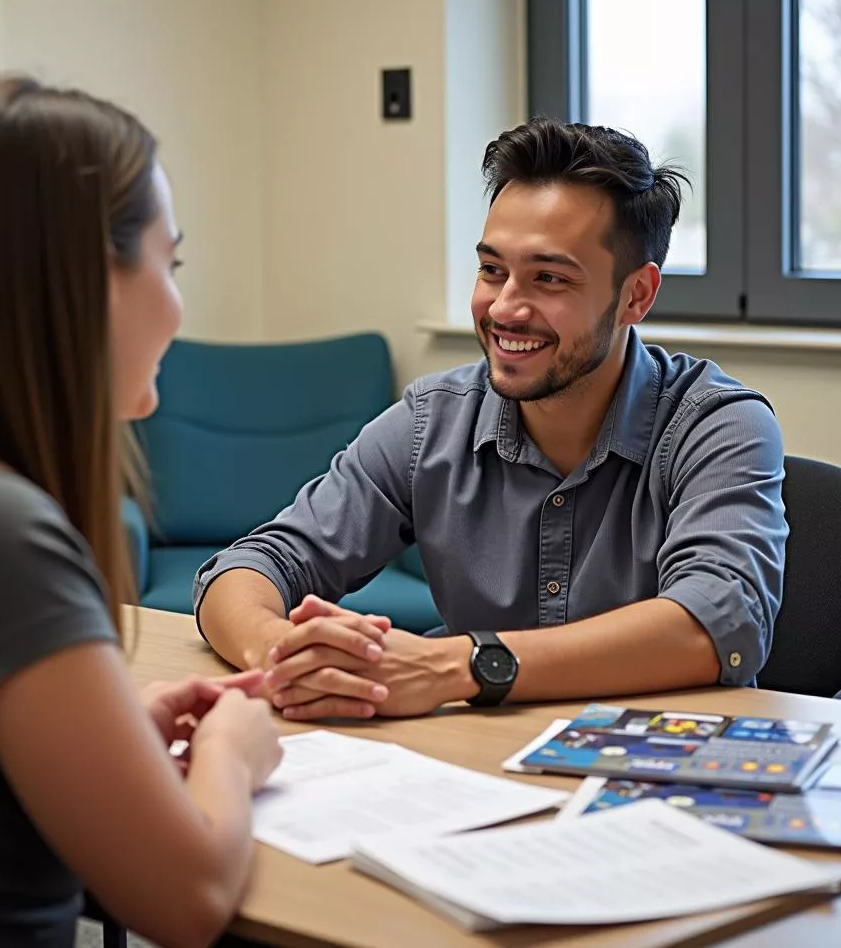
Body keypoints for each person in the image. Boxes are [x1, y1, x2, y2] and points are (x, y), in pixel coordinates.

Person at [0, 76, 282, 948]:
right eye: (172, 262)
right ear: (87, 279)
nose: (179, 304)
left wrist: (111, 737)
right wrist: (236, 748)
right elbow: (185, 902)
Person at [194, 118, 788, 722]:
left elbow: (720, 618)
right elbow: (256, 564)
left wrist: (456, 666)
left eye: (549, 278)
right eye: (492, 270)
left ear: (636, 295)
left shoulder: (718, 425)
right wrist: (282, 655)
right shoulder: (432, 421)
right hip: (476, 771)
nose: (504, 308)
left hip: (658, 774)